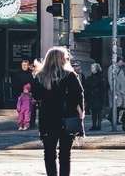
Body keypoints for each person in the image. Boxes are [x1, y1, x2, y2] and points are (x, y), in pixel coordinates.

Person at [32, 47, 85, 176]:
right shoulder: (70, 75)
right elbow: (79, 95)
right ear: (62, 59)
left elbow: (36, 96)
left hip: (48, 119)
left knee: (49, 154)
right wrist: (80, 113)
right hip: (67, 118)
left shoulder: (40, 76)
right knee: (65, 154)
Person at [85, 62, 109, 131]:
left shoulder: (101, 78)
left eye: (93, 68)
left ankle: (98, 125)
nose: (91, 69)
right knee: (93, 112)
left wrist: (103, 99)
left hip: (98, 97)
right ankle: (94, 125)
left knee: (99, 112)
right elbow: (87, 87)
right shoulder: (90, 77)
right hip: (92, 98)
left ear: (96, 69)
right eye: (91, 68)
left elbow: (103, 89)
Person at [109, 56, 125, 129]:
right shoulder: (112, 68)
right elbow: (111, 80)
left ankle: (114, 118)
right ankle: (112, 118)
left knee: (120, 106)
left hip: (121, 91)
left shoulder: (120, 68)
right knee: (117, 106)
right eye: (121, 61)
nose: (122, 63)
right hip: (117, 91)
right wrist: (114, 90)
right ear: (118, 61)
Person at [17, 60, 36, 131]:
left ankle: (31, 124)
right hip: (21, 94)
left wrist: (32, 93)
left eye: (25, 65)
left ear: (28, 66)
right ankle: (21, 124)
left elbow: (34, 84)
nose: (24, 66)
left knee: (31, 110)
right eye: (23, 65)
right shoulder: (18, 74)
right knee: (21, 111)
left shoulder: (31, 73)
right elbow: (16, 84)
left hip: (30, 94)